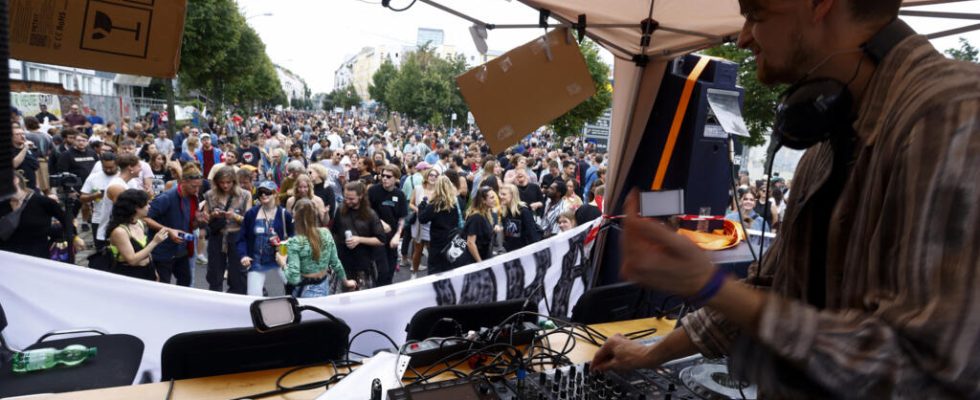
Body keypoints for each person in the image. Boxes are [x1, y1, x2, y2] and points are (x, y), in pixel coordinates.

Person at [591, 2, 980, 398]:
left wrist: (711, 286)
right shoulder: (824, 147)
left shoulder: (954, 114)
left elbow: (924, 369)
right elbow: (771, 292)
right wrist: (650, 353)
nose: (743, 37)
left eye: (756, 14)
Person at [275, 199, 355, 298]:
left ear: (295, 216)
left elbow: (293, 278)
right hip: (324, 286)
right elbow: (335, 262)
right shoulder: (326, 232)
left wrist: (282, 262)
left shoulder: (295, 242)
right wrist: (346, 282)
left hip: (306, 291)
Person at [145, 163, 206, 287]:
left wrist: (198, 220)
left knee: (185, 283)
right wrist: (168, 230)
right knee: (162, 286)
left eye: (199, 187)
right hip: (162, 251)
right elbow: (145, 218)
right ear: (183, 182)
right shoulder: (166, 197)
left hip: (181, 250)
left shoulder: (192, 198)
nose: (197, 190)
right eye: (194, 186)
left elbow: (192, 226)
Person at [237, 181, 294, 297]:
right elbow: (241, 238)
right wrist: (243, 255)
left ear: (275, 194)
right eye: (260, 192)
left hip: (281, 259)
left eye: (267, 192)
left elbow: (294, 236)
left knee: (294, 288)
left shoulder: (284, 214)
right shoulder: (251, 214)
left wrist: (285, 244)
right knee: (253, 297)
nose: (263, 195)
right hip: (257, 260)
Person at [203, 166, 252, 294]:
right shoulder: (210, 195)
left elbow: (249, 221)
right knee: (214, 273)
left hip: (236, 236)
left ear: (234, 182)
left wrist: (234, 216)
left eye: (228, 182)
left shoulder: (245, 195)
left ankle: (235, 299)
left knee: (237, 274)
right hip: (217, 236)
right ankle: (215, 300)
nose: (225, 185)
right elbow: (204, 219)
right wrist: (213, 215)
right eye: (222, 182)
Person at [0, 171, 69, 259]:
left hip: (36, 258)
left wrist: (73, 238)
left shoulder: (42, 202)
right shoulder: (3, 205)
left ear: (15, 180)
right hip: (8, 258)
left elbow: (66, 221)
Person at [330, 181, 386, 288]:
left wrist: (359, 239)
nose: (347, 201)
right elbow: (334, 233)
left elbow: (381, 240)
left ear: (361, 196)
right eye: (345, 197)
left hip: (363, 264)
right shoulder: (341, 209)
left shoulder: (370, 214)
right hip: (343, 262)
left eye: (351, 199)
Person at [106, 189, 170, 281]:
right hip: (129, 276)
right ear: (136, 208)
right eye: (146, 204)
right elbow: (132, 260)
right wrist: (155, 242)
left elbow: (146, 251)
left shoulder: (139, 223)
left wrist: (154, 271)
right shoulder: (120, 232)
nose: (149, 206)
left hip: (147, 271)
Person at [367, 164, 407, 285]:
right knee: (382, 271)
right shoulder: (373, 190)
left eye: (388, 176)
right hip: (377, 237)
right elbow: (366, 211)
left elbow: (402, 217)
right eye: (382, 175)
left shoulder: (400, 195)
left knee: (390, 271)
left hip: (392, 238)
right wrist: (380, 222)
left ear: (396, 178)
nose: (384, 178)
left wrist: (398, 235)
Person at [417, 176, 463, 275]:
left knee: (435, 270)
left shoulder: (434, 205)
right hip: (451, 240)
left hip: (437, 242)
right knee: (449, 268)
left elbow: (422, 219)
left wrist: (421, 208)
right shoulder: (454, 204)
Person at [408, 168, 438, 274]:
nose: (433, 177)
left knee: (432, 250)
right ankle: (414, 273)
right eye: (431, 175)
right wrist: (418, 210)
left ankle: (432, 273)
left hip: (433, 224)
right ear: (427, 176)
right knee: (418, 250)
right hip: (419, 223)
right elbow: (410, 203)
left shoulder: (438, 191)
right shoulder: (418, 188)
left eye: (435, 176)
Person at [498, 183, 540, 252]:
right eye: (500, 194)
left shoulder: (523, 211)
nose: (501, 197)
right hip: (510, 251)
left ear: (512, 195)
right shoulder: (505, 212)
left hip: (524, 251)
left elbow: (532, 234)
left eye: (504, 194)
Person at [461, 186, 496, 264]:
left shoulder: (486, 213)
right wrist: (480, 262)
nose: (495, 200)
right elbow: (470, 243)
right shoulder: (476, 217)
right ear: (483, 200)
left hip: (485, 256)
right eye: (491, 198)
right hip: (474, 261)